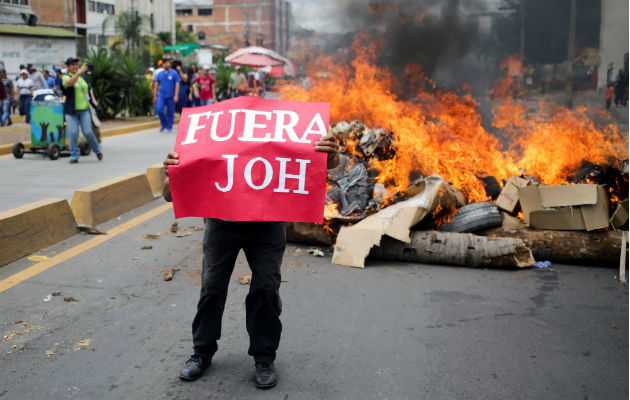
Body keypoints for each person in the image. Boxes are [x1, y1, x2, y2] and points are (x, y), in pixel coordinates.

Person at [161, 133, 340, 389]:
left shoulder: (281, 134)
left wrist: (332, 156)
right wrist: (170, 171)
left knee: (266, 288)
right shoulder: (209, 140)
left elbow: (320, 165)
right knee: (212, 289)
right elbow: (168, 194)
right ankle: (202, 353)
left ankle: (264, 358)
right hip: (221, 225)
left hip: (267, 226)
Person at [62, 57, 103, 163]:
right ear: (68, 67)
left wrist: (95, 104)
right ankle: (74, 156)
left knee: (88, 132)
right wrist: (79, 72)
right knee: (73, 133)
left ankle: (97, 150)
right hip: (71, 111)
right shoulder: (65, 77)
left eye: (76, 64)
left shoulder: (84, 78)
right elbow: (70, 83)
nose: (75, 66)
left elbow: (89, 91)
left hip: (84, 110)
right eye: (72, 65)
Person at [153, 58, 180, 132]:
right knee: (159, 109)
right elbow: (156, 85)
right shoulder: (160, 73)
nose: (166, 64)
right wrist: (155, 96)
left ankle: (169, 126)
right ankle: (163, 124)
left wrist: (176, 95)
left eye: (167, 63)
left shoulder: (174, 73)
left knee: (170, 112)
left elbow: (177, 84)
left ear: (169, 64)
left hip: (171, 95)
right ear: (163, 65)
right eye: (164, 63)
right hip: (161, 95)